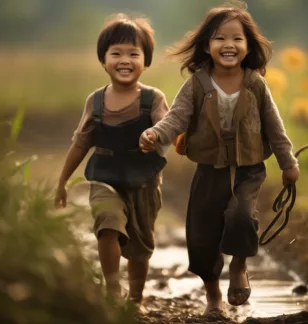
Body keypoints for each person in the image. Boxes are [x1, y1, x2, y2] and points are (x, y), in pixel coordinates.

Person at [139, 5, 299, 315]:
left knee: (241, 215)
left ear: (248, 45)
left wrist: (288, 163)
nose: (229, 44)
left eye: (237, 38)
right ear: (206, 46)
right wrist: (155, 135)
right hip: (208, 171)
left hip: (249, 170)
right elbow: (175, 119)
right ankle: (213, 298)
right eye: (219, 38)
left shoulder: (256, 84)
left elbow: (275, 127)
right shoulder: (197, 84)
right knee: (202, 237)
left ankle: (239, 266)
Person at [55, 13, 169, 312]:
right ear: (103, 60)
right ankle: (112, 289)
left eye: (134, 53)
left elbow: (168, 130)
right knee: (108, 226)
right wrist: (62, 182)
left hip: (144, 181)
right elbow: (80, 143)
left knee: (140, 249)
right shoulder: (94, 102)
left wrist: (156, 136)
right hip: (105, 177)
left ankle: (135, 297)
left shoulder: (153, 99)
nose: (125, 60)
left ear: (146, 61)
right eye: (116, 53)